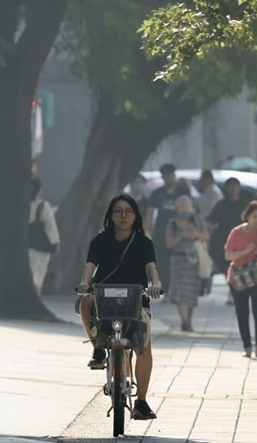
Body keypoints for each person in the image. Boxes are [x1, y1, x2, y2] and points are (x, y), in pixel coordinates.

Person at [76, 194, 162, 420]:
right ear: (110, 216)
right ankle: (97, 347)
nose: (123, 216)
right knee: (85, 303)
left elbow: (152, 269)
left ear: (136, 216)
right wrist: (85, 283)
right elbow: (90, 266)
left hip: (136, 299)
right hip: (103, 296)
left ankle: (141, 402)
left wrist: (155, 284)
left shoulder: (144, 243)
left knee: (143, 346)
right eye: (118, 211)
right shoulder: (100, 241)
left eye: (128, 211)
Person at [225, 200, 257, 358]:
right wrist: (245, 251)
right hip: (238, 278)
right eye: (254, 216)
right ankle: (247, 346)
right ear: (247, 215)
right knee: (242, 312)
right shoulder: (236, 232)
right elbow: (228, 255)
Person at [165, 195, 209, 332]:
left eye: (186, 208)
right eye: (181, 208)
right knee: (180, 291)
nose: (184, 211)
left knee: (191, 292)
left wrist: (194, 235)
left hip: (193, 261)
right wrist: (181, 235)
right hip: (178, 261)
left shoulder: (197, 221)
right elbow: (169, 243)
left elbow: (206, 237)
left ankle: (188, 320)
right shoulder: (172, 223)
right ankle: (184, 321)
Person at [206, 177, 248, 305]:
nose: (232, 189)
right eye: (230, 187)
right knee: (227, 267)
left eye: (235, 186)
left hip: (242, 241)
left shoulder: (245, 204)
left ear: (239, 188)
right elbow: (210, 221)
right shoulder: (221, 205)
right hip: (223, 241)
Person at [146, 163, 181, 292]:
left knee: (177, 262)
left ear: (174, 175)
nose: (168, 178)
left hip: (178, 233)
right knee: (162, 262)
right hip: (161, 233)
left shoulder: (182, 192)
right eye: (165, 175)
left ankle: (176, 288)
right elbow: (150, 213)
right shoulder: (157, 194)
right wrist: (148, 230)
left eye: (170, 175)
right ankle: (166, 288)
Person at [29, 177, 60, 296]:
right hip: (41, 248)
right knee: (38, 277)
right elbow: (50, 226)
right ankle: (36, 298)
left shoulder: (20, 206)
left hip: (26, 246)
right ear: (39, 191)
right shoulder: (42, 206)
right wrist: (55, 243)